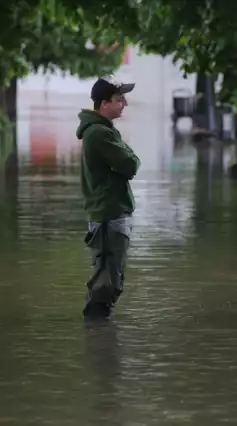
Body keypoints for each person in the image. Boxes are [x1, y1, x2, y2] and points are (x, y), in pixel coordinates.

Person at [76, 76, 140, 320]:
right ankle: (98, 346)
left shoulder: (103, 132)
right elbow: (131, 165)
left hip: (110, 214)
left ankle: (100, 341)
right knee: (105, 285)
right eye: (119, 99)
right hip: (108, 216)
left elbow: (126, 163)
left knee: (109, 281)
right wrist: (128, 153)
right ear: (104, 104)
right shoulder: (100, 134)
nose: (124, 103)